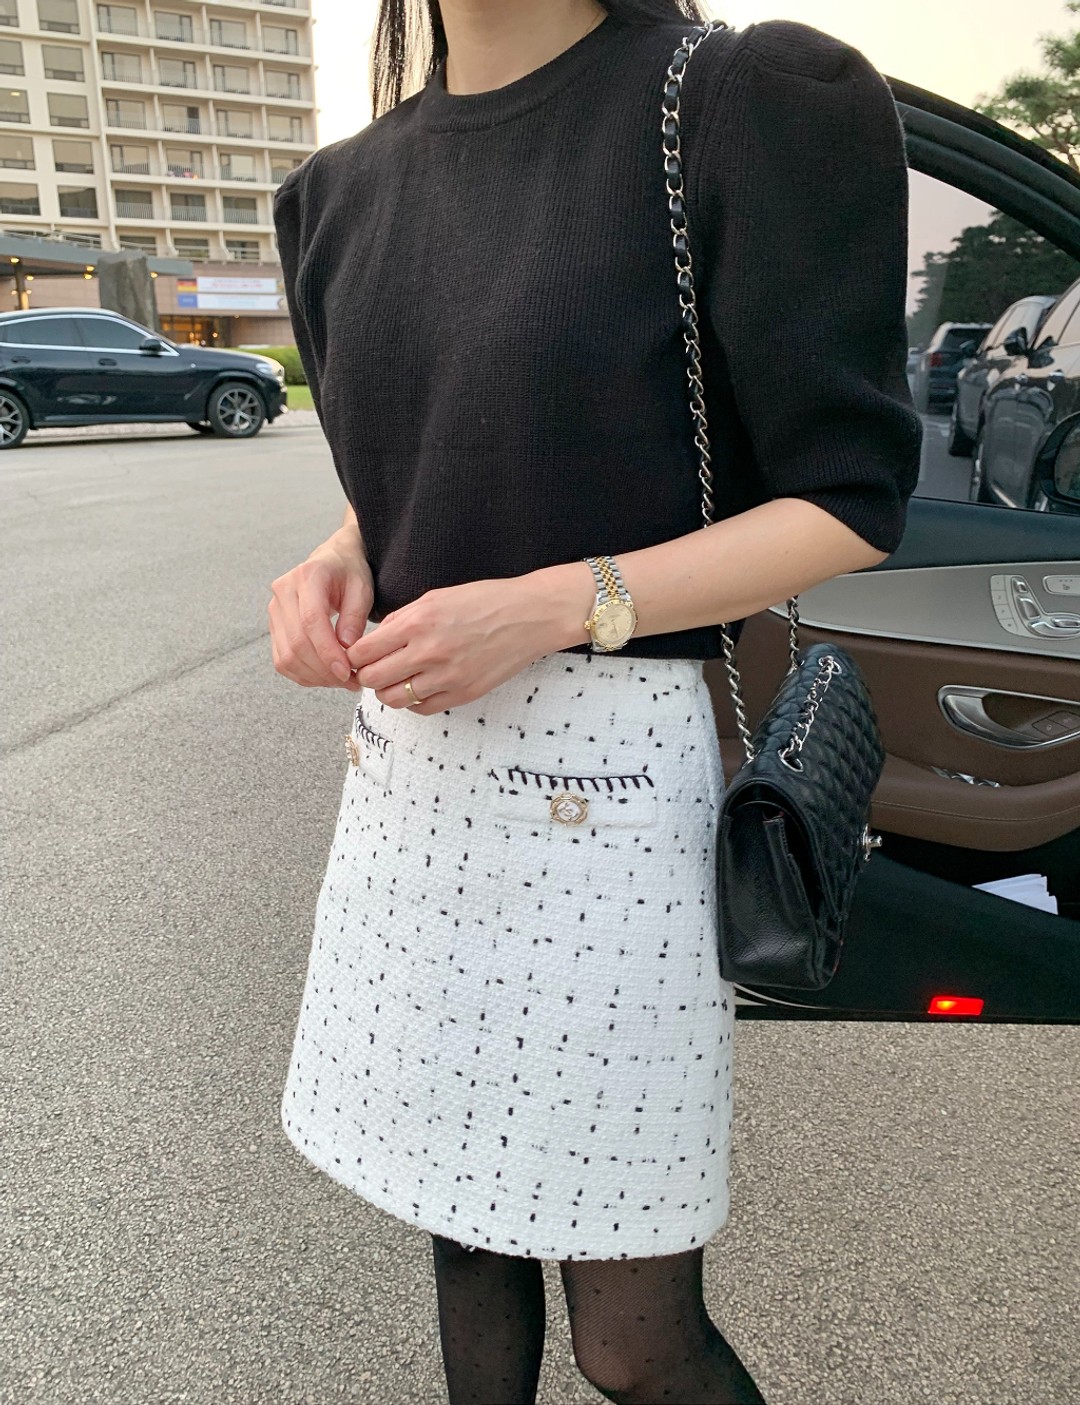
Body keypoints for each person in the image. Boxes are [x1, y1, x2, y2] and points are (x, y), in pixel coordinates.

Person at [266, 1, 922, 1401]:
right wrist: (341, 553)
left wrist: (558, 604)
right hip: (414, 789)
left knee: (633, 1339)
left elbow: (847, 501)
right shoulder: (337, 193)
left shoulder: (734, 102)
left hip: (609, 805)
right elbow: (447, 444)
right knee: (464, 1237)